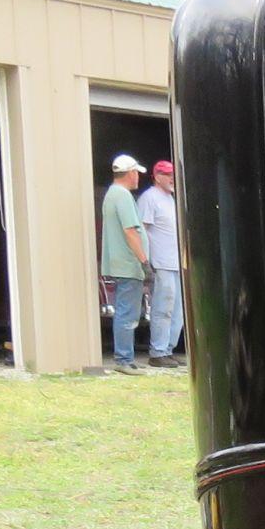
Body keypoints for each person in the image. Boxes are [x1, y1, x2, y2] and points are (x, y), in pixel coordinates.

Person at [99, 154, 150, 373]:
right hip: (129, 265)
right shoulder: (122, 196)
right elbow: (130, 231)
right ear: (130, 173)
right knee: (127, 312)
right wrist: (144, 261)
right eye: (136, 172)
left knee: (126, 310)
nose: (138, 177)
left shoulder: (112, 194)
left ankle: (125, 357)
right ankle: (123, 359)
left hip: (122, 264)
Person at [136, 158, 183, 367]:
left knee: (178, 310)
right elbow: (142, 230)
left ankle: (168, 349)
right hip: (161, 262)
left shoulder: (173, 199)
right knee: (163, 307)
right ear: (156, 177)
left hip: (177, 262)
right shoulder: (149, 198)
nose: (172, 178)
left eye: (173, 174)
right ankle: (157, 352)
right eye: (167, 174)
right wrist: (146, 261)